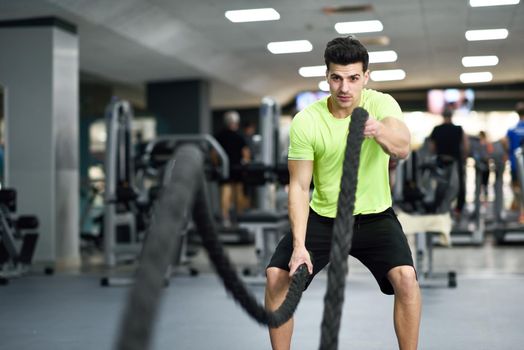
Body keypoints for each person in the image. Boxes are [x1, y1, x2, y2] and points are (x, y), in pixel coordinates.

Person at [264, 36, 420, 350]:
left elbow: (402, 148)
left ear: (365, 77)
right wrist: (298, 245)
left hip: (375, 217)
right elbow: (298, 187)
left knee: (406, 279)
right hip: (324, 219)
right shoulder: (307, 121)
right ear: (327, 77)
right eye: (336, 78)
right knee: (276, 277)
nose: (344, 88)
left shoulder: (380, 104)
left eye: (352, 78)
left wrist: (377, 130)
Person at [429, 108, 469, 218]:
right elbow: (465, 146)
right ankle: (458, 210)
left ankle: (438, 210)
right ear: (451, 116)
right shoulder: (458, 129)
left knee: (440, 186)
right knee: (459, 187)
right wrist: (464, 158)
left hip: (441, 161)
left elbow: (432, 147)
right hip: (455, 161)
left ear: (443, 116)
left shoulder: (436, 129)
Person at [214, 110, 251, 227]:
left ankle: (228, 218)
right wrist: (246, 163)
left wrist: (217, 165)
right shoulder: (239, 136)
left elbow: (213, 153)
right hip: (236, 170)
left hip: (228, 170)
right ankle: (236, 218)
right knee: (234, 195)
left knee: (228, 195)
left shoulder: (220, 136)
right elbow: (246, 153)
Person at [503, 102, 524, 223]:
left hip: (516, 164)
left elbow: (505, 143)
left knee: (516, 187)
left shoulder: (512, 129)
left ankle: (521, 211)